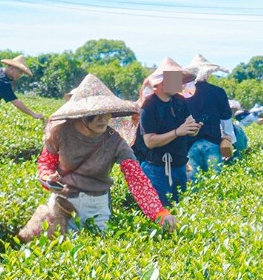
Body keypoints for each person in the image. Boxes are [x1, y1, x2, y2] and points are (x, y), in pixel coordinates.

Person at [20, 74, 176, 240]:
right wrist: (47, 177)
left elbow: (136, 179)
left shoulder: (115, 141)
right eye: (96, 114)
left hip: (96, 206)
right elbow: (46, 163)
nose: (103, 120)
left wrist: (159, 213)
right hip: (63, 203)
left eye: (107, 113)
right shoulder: (60, 132)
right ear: (82, 115)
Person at [133, 58, 200, 206]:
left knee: (180, 209)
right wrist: (177, 132)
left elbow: (188, 126)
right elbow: (149, 141)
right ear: (160, 83)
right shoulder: (149, 106)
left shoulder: (180, 101)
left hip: (180, 166)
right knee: (162, 212)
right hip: (157, 169)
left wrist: (194, 129)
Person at [183, 54, 235, 179]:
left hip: (189, 144)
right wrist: (229, 139)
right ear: (208, 73)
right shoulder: (218, 91)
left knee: (193, 184)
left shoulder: (184, 93)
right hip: (213, 142)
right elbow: (226, 120)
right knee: (214, 181)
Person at [0, 55, 45, 122]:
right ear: (12, 68)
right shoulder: (2, 81)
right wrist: (34, 114)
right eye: (20, 72)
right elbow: (16, 102)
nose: (20, 76)